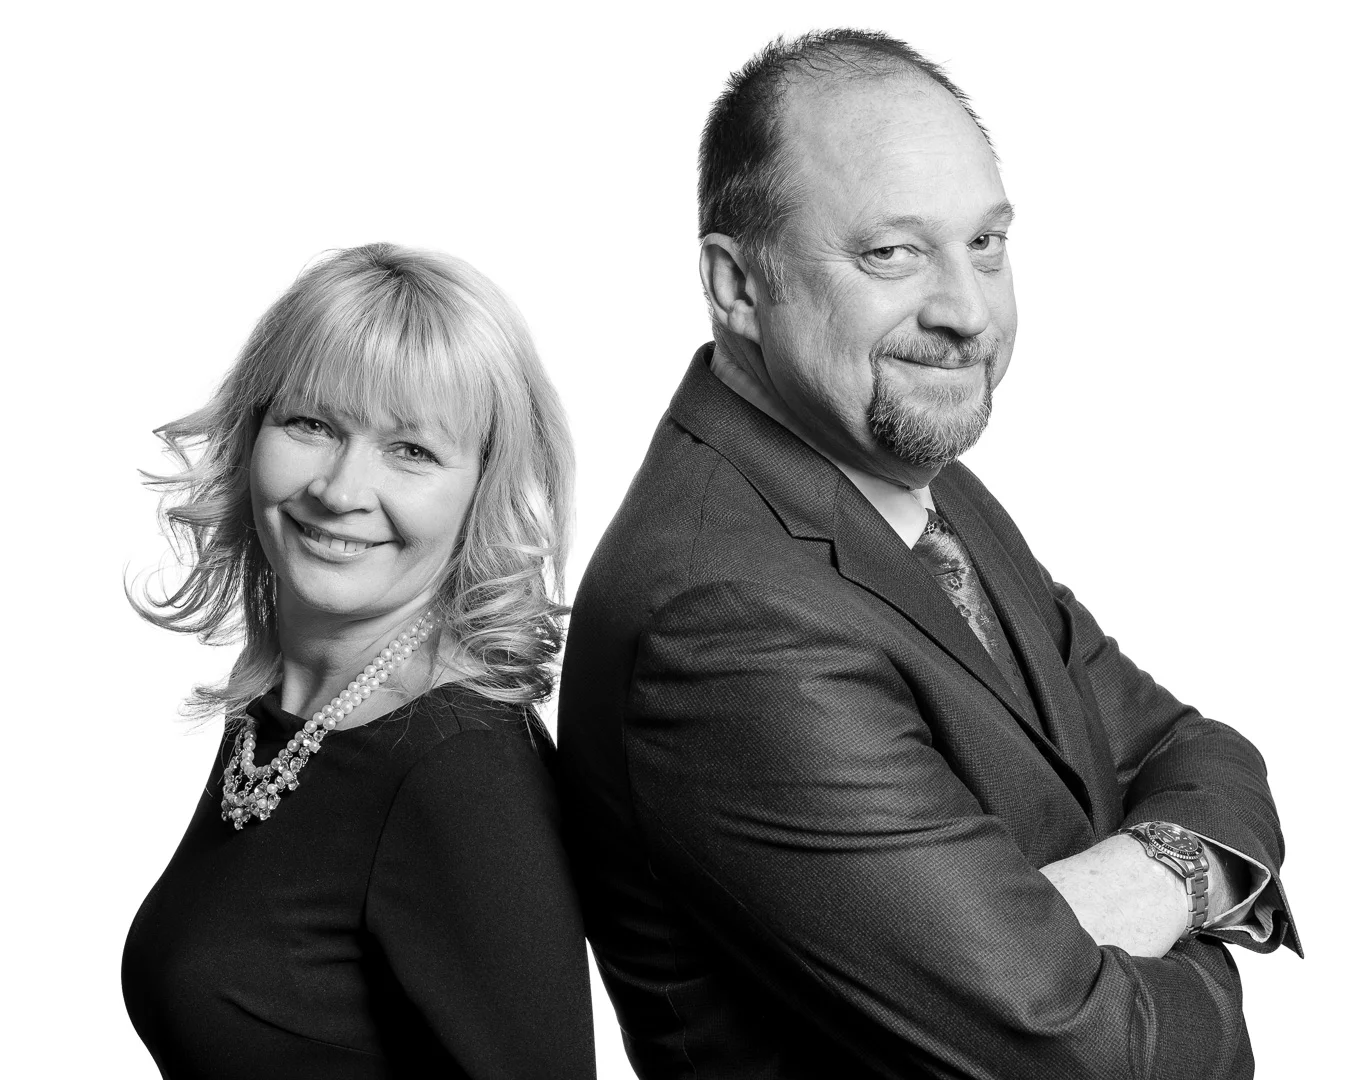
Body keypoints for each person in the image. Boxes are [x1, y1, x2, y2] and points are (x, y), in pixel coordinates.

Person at [557, 30, 1300, 1080]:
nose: (967, 311)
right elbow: (1085, 1058)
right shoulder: (724, 616)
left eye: (986, 242)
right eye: (892, 253)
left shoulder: (907, 477)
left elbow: (1192, 749)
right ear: (736, 285)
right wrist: (1209, 950)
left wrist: (1159, 874)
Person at [122, 243, 595, 1079]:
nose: (339, 490)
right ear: (252, 430)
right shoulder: (291, 705)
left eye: (412, 450)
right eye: (313, 424)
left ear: (482, 488)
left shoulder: (460, 775)